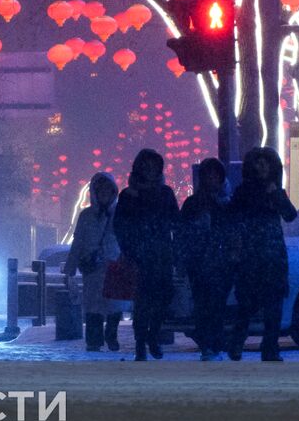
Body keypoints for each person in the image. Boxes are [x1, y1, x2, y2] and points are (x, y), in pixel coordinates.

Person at [226, 147, 297, 362]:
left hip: (273, 257)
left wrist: (275, 193)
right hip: (252, 256)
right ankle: (237, 344)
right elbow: (234, 220)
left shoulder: (276, 191)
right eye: (258, 162)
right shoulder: (243, 192)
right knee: (246, 304)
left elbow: (290, 215)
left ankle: (270, 348)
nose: (262, 166)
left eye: (266, 162)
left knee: (273, 306)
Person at [114, 149, 179, 361]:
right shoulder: (128, 195)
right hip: (138, 255)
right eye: (146, 165)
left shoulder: (166, 193)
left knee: (164, 297)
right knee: (142, 303)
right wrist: (128, 249)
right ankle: (141, 343)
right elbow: (120, 225)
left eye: (154, 165)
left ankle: (153, 335)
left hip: (162, 253)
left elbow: (176, 222)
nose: (150, 169)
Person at [64, 173, 129, 351]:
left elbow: (126, 239)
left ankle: (111, 335)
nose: (104, 194)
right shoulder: (86, 216)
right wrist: (70, 268)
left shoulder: (120, 214)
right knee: (93, 307)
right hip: (92, 268)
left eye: (108, 190)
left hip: (113, 266)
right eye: (101, 190)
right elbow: (78, 242)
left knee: (114, 305)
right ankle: (94, 340)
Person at [177, 158, 233, 360]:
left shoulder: (228, 203)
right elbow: (182, 232)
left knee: (216, 303)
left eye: (215, 174)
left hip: (221, 261)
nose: (212, 178)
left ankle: (213, 343)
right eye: (208, 174)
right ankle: (209, 344)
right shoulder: (193, 204)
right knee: (204, 303)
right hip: (199, 262)